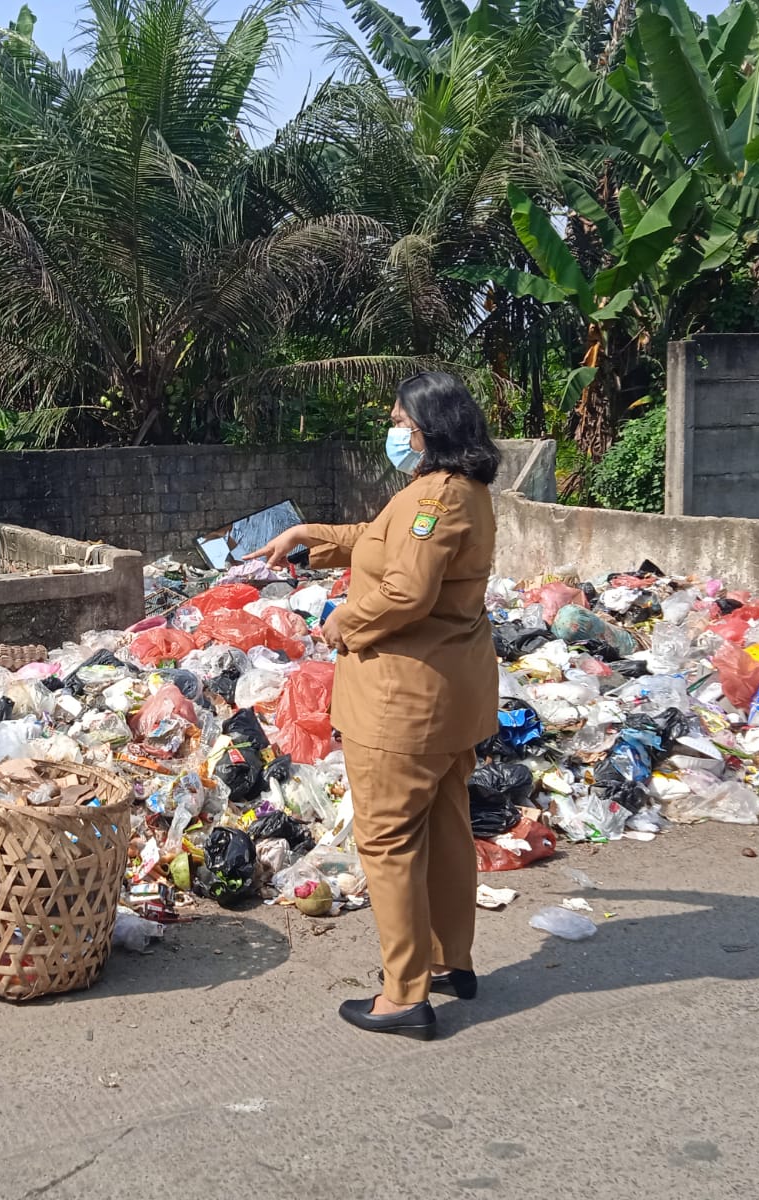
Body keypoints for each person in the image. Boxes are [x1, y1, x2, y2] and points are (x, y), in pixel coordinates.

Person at [253, 372, 500, 1041]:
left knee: (389, 841)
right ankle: (452, 961)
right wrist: (309, 533)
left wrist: (341, 625)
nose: (392, 432)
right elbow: (377, 536)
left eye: (398, 420)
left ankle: (403, 996)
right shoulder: (458, 493)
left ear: (426, 427)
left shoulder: (434, 500)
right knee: (447, 828)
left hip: (405, 704)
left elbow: (405, 592)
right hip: (451, 700)